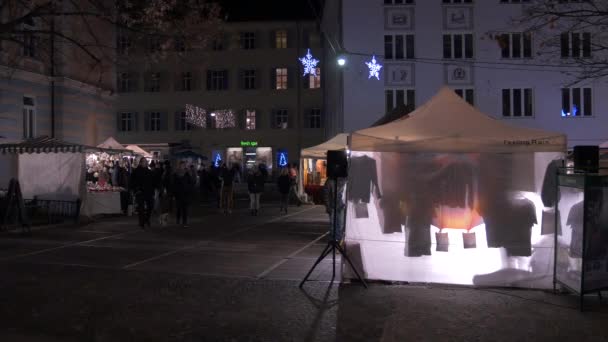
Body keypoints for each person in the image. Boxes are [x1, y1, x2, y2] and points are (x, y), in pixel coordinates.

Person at [130, 158, 155, 228]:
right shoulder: (136, 171)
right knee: (141, 208)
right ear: (140, 163)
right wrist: (136, 190)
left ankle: (146, 219)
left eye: (146, 162)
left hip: (148, 192)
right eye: (144, 162)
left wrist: (153, 190)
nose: (146, 163)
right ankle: (142, 222)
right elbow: (132, 182)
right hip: (140, 192)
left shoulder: (149, 171)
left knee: (150, 206)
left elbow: (152, 182)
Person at [172, 161, 194, 227]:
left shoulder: (187, 174)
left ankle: (184, 222)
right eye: (182, 165)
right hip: (178, 193)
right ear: (179, 166)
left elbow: (191, 182)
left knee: (185, 208)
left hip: (185, 193)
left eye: (184, 165)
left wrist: (189, 189)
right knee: (179, 208)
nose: (183, 166)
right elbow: (174, 184)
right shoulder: (175, 174)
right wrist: (174, 193)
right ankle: (178, 219)